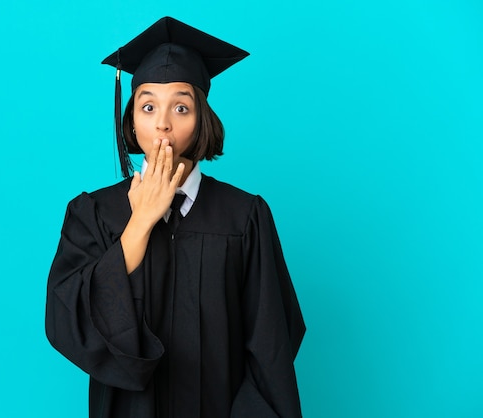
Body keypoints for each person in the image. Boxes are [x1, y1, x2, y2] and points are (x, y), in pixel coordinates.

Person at [45, 16, 305, 418]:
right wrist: (141, 222)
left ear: (201, 117)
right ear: (131, 118)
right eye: (148, 106)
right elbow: (70, 318)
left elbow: (272, 337)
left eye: (181, 107)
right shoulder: (92, 213)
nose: (163, 123)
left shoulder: (244, 216)